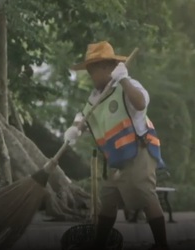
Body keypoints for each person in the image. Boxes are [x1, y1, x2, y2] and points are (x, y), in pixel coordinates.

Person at [64, 41, 169, 250]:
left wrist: (124, 80)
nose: (91, 76)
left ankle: (162, 244)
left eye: (93, 71)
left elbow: (140, 103)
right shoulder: (96, 97)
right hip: (116, 158)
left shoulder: (127, 85)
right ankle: (99, 244)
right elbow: (84, 116)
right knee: (108, 199)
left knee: (146, 195)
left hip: (138, 151)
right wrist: (75, 129)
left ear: (106, 68)